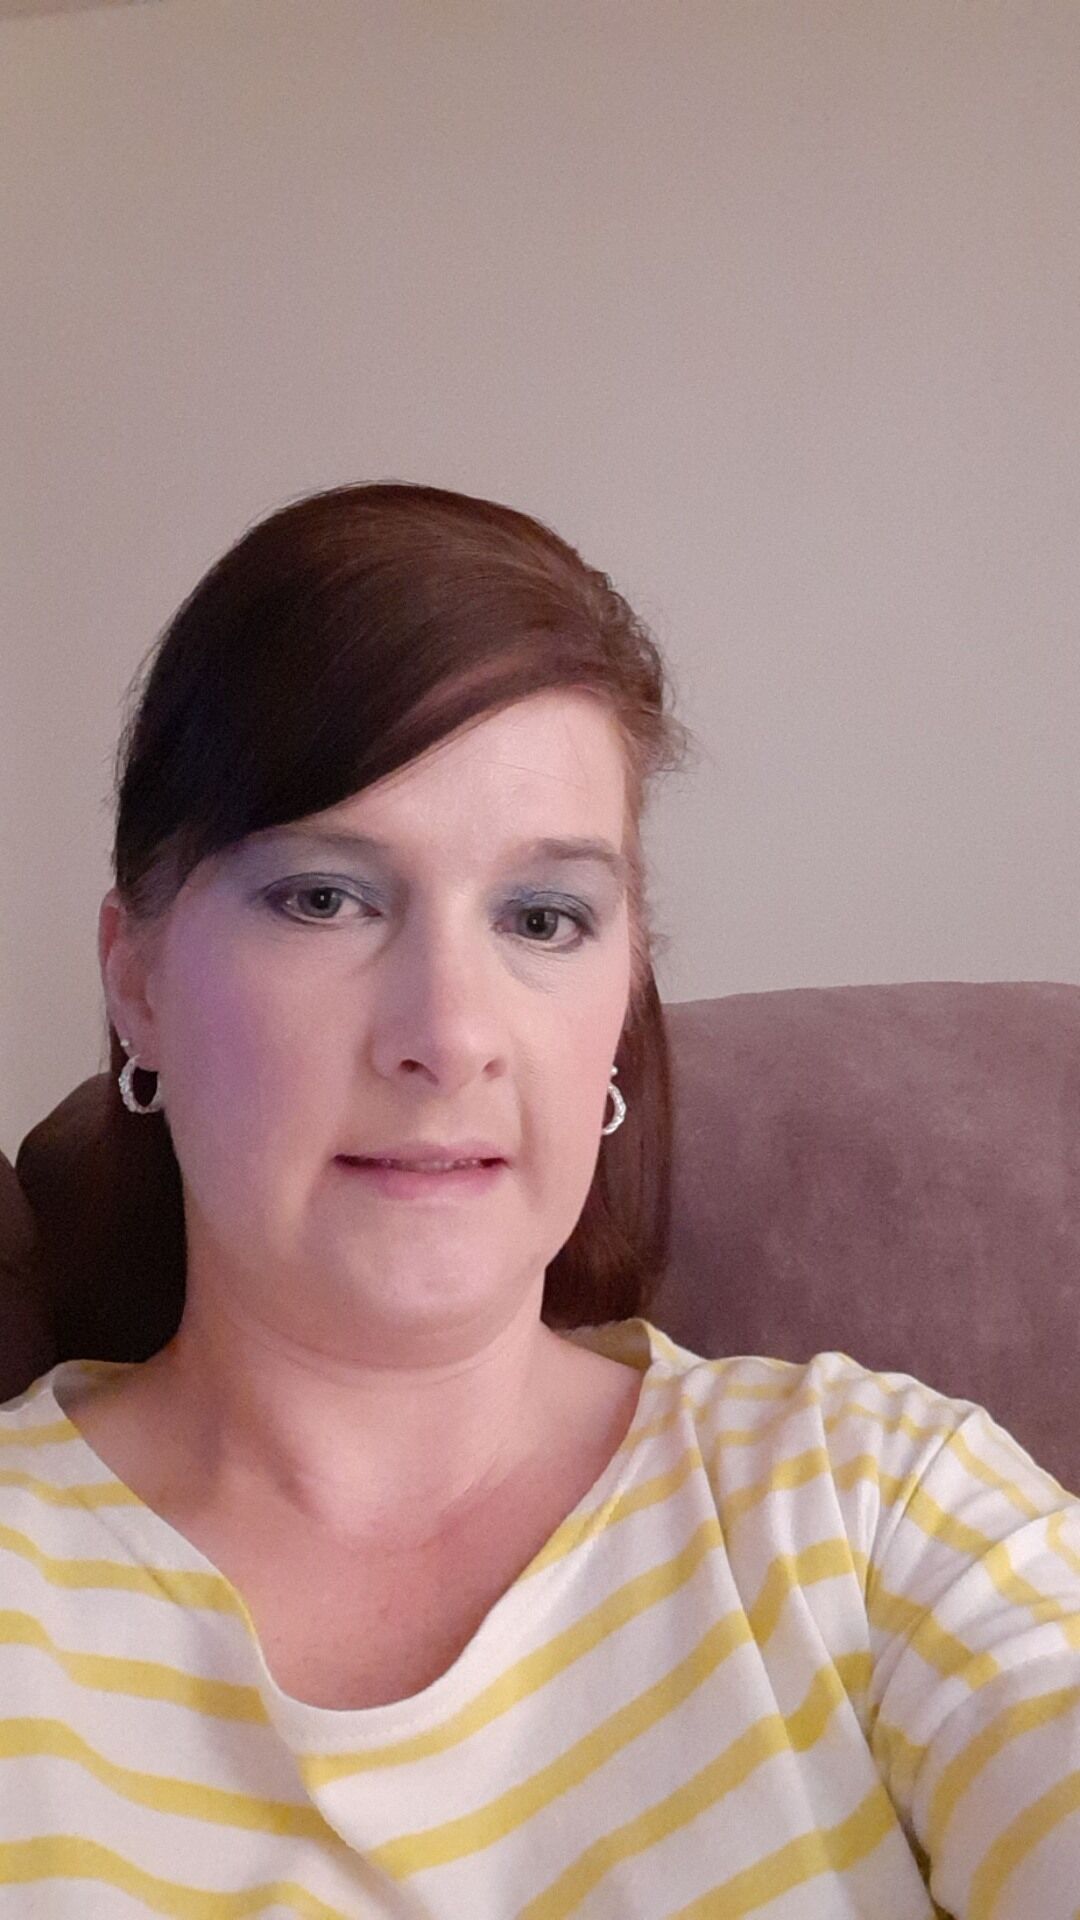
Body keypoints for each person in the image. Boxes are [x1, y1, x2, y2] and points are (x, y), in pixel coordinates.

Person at [1, 482, 1077, 1918]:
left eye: (543, 918)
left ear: (619, 1004)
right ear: (135, 979)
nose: (450, 1036)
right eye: (325, 898)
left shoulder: (880, 1510)